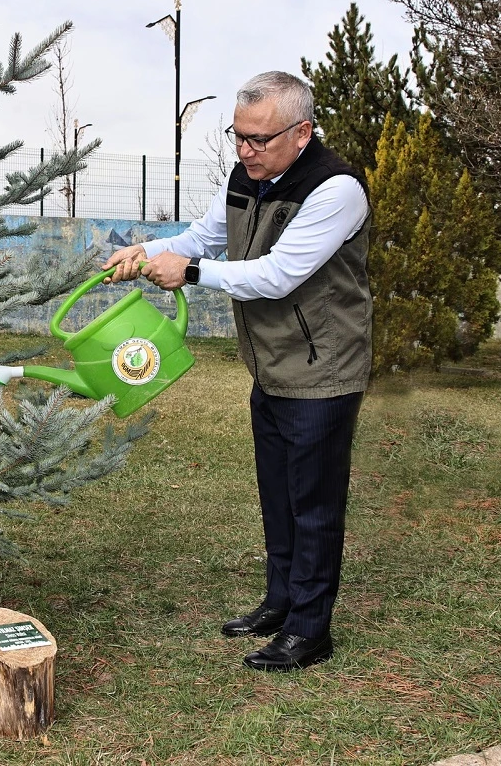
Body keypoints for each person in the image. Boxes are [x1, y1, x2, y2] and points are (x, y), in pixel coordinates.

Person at [103, 71, 371, 671]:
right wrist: (147, 250)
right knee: (278, 494)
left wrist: (191, 273)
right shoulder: (247, 177)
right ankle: (280, 602)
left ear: (301, 133)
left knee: (315, 504)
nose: (245, 150)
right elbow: (205, 235)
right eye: (238, 137)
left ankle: (310, 629)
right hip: (271, 365)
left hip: (322, 369)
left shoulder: (336, 190)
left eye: (259, 139)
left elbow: (277, 274)